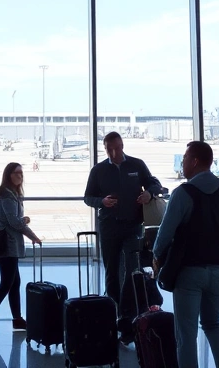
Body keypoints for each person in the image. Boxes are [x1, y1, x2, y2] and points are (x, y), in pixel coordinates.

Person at [152, 141, 219, 368]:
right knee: (213, 324)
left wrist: (156, 256)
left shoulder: (183, 193)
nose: (183, 162)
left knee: (186, 334)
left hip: (189, 272)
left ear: (195, 161)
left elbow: (165, 233)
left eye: (185, 158)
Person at [83, 132, 164, 312]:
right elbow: (88, 197)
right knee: (111, 270)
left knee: (133, 267)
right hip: (109, 226)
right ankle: (114, 309)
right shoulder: (98, 170)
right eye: (109, 149)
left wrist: (149, 193)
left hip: (133, 226)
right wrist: (102, 202)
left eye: (117, 148)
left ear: (122, 146)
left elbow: (155, 184)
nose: (114, 153)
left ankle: (131, 309)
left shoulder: (137, 164)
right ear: (105, 149)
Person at [0, 162, 41, 337]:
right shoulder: (7, 196)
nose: (20, 176)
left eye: (21, 173)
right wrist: (29, 229)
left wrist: (22, 222)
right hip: (7, 245)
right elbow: (15, 222)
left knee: (14, 282)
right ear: (8, 175)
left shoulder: (2, 194)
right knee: (6, 284)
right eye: (16, 173)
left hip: (5, 244)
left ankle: (17, 319)